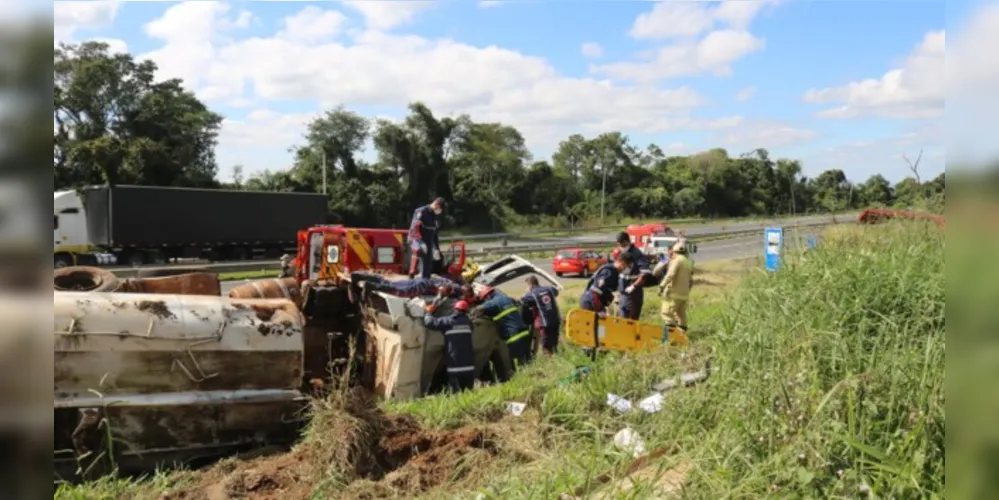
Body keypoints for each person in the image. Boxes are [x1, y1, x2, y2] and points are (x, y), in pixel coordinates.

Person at [423, 299, 476, 392]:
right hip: (469, 365)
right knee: (468, 392)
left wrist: (428, 313)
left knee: (456, 392)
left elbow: (430, 323)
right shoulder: (468, 323)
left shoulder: (449, 321)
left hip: (455, 364)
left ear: (454, 309)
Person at [474, 286, 533, 369]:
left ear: (487, 296)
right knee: (528, 360)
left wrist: (473, 313)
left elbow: (479, 309)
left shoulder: (493, 302)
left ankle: (524, 378)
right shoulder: (506, 298)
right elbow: (516, 301)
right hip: (524, 332)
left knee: (519, 363)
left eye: (484, 298)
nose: (485, 300)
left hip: (514, 335)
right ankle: (533, 375)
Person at [652, 240, 694, 335]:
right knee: (681, 317)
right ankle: (682, 336)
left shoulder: (676, 260)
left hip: (673, 294)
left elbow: (669, 274)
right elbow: (691, 280)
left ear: (674, 251)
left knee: (666, 314)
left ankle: (671, 338)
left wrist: (662, 286)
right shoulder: (688, 262)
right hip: (684, 294)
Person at [615, 232, 652, 320]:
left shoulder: (636, 253)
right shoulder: (621, 252)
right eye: (618, 244)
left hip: (633, 292)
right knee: (621, 317)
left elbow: (644, 274)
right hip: (622, 290)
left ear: (626, 242)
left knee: (631, 319)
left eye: (621, 244)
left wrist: (634, 286)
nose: (619, 246)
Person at [520, 276, 561, 356]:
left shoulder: (532, 294)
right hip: (556, 320)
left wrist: (526, 293)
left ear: (530, 284)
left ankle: (549, 361)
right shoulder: (549, 288)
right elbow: (556, 292)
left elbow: (522, 300)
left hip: (545, 322)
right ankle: (555, 356)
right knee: (554, 341)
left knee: (546, 344)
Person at [349, 271, 460, 301]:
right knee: (397, 291)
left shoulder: (451, 283)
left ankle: (359, 276)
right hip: (422, 286)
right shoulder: (455, 290)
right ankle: (370, 285)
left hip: (419, 281)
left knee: (389, 283)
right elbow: (443, 290)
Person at [407, 197, 446, 279]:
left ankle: (425, 279)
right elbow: (415, 228)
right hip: (416, 238)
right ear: (436, 204)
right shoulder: (421, 211)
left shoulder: (435, 215)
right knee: (418, 250)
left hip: (428, 239)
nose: (439, 211)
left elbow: (434, 232)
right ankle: (412, 273)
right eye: (439, 208)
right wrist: (420, 241)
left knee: (428, 259)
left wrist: (436, 248)